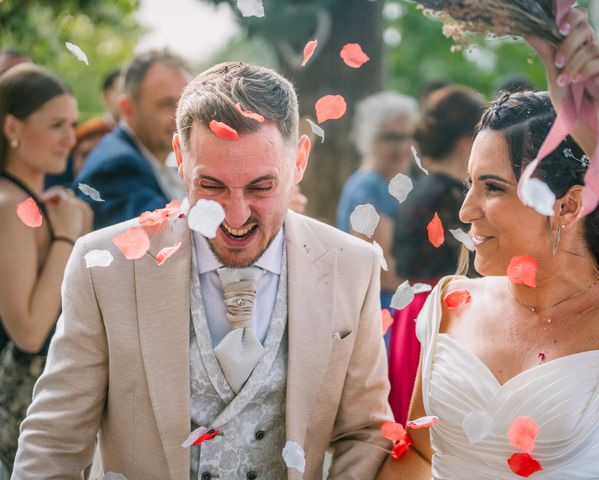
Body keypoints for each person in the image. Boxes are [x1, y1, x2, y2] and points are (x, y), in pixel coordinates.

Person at [13, 61, 393, 479]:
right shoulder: (106, 267)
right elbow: (55, 441)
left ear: (299, 159)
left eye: (261, 187)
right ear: (180, 156)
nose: (235, 215)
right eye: (211, 186)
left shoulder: (352, 266)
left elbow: (364, 431)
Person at [379, 9, 599, 479]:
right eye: (469, 184)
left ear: (567, 205)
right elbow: (418, 454)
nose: (465, 211)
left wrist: (598, 133)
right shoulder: (449, 305)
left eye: (493, 188)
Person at [0, 64, 92, 474]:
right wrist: (67, 238)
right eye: (56, 124)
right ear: (12, 127)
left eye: (72, 124)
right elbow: (29, 331)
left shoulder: (34, 204)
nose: (70, 139)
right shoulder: (10, 208)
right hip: (16, 414)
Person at [389, 85, 485, 424]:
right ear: (465, 140)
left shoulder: (425, 190)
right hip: (440, 314)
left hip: (414, 311)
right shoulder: (449, 196)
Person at [74, 49, 191, 229]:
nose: (179, 116)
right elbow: (170, 237)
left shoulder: (140, 154)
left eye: (184, 103)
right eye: (166, 104)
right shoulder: (117, 168)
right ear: (127, 108)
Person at [336, 91, 419, 311]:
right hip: (381, 312)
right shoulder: (369, 188)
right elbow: (379, 270)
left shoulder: (392, 183)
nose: (403, 147)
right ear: (369, 139)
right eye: (391, 138)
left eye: (408, 137)